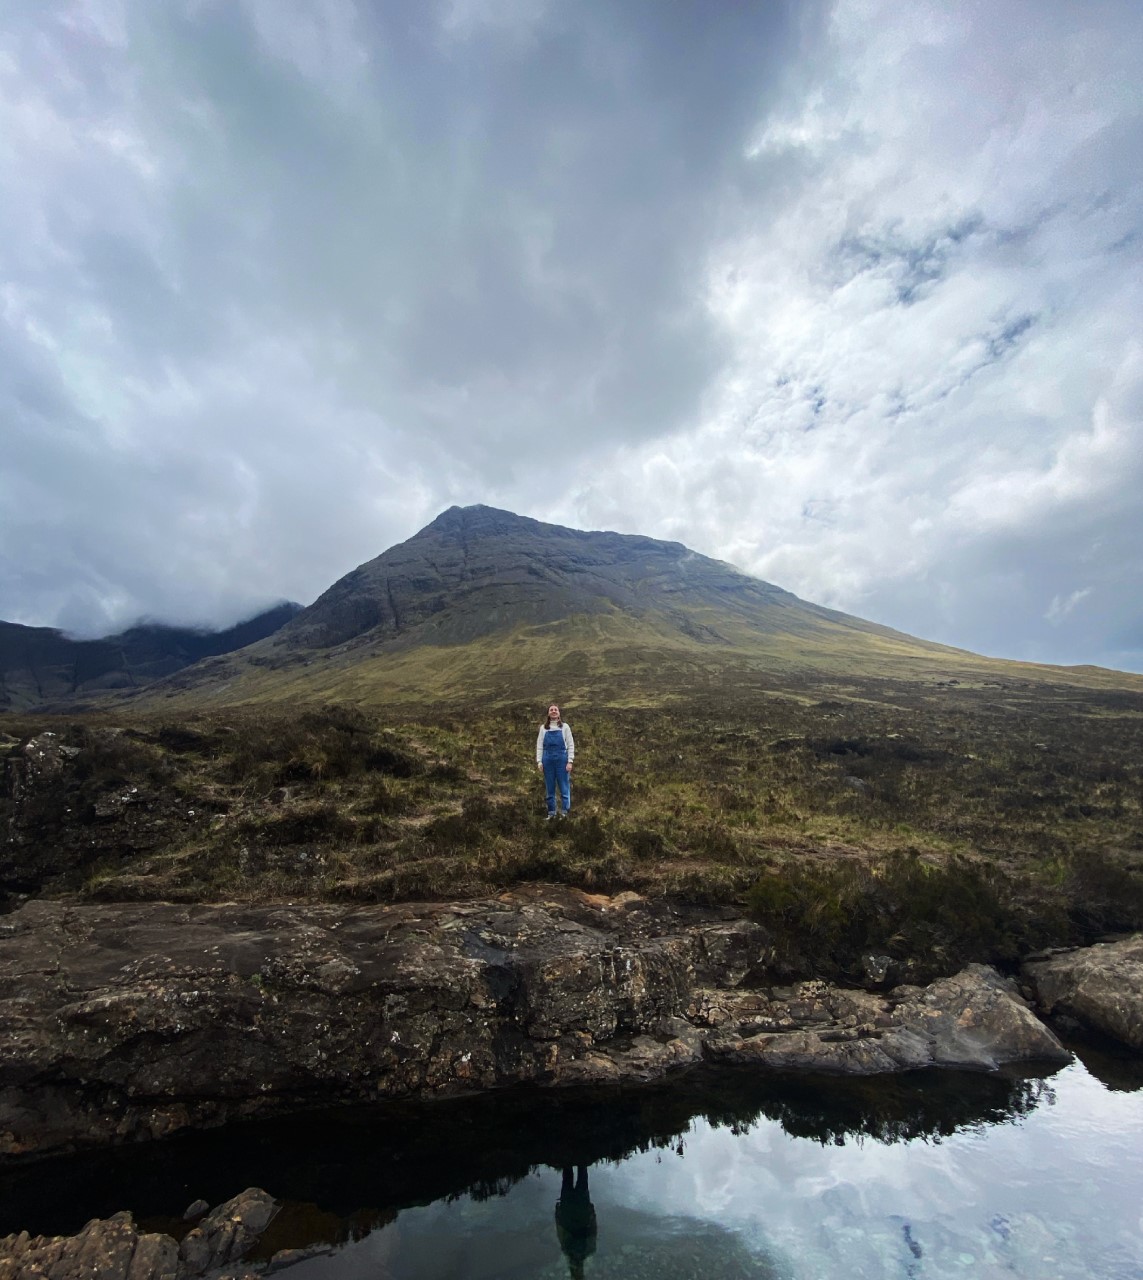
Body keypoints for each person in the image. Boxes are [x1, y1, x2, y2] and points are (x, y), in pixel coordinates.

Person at [536, 703, 574, 819]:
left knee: (564, 787)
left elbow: (570, 744)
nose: (553, 711)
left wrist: (570, 761)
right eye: (551, 710)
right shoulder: (543, 728)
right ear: (548, 713)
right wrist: (539, 761)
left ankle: (564, 812)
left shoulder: (565, 727)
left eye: (555, 710)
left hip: (562, 760)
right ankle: (551, 813)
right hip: (547, 760)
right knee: (550, 787)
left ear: (559, 713)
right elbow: (539, 746)